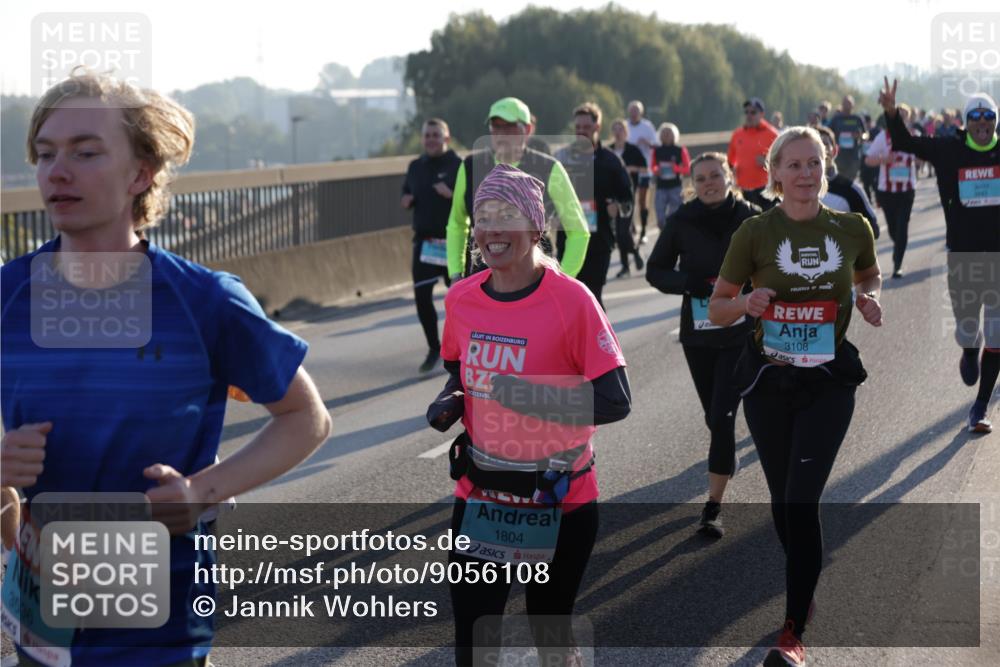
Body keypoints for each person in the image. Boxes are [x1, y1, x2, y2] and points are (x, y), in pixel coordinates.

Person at [0, 72, 332, 666]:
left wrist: (200, 493)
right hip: (40, 621)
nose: (58, 171)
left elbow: (307, 418)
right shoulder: (8, 294)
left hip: (158, 629)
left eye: (85, 152)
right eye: (46, 154)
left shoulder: (205, 301)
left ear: (141, 173)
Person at [427, 163, 631, 667]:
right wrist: (453, 398)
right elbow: (459, 369)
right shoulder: (462, 298)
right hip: (482, 495)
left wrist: (530, 397)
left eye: (507, 216)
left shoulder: (572, 300)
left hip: (557, 498)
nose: (492, 230)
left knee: (549, 633)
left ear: (536, 228)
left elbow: (615, 400)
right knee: (474, 642)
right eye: (483, 218)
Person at [709, 126, 883, 667]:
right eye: (795, 165)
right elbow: (717, 307)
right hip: (769, 381)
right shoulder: (755, 232)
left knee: (802, 499)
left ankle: (792, 632)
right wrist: (746, 305)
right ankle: (804, 580)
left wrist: (869, 298)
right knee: (784, 504)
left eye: (814, 163)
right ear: (775, 173)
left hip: (828, 382)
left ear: (826, 168)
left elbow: (870, 276)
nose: (806, 173)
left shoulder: (851, 227)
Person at [645, 153, 759, 538]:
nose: (709, 183)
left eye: (715, 175)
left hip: (740, 331)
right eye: (701, 178)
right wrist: (688, 283)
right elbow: (656, 270)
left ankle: (713, 508)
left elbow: (771, 263)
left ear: (729, 177)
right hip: (699, 333)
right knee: (713, 416)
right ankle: (724, 454)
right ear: (693, 184)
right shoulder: (681, 220)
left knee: (723, 416)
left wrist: (750, 289)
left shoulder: (750, 217)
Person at [879, 79, 1000, 433]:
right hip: (963, 257)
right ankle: (968, 349)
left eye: (989, 117)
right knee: (968, 328)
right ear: (966, 122)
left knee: (997, 334)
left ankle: (979, 407)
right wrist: (891, 113)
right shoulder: (950, 149)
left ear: (995, 121)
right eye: (975, 118)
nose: (982, 123)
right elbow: (905, 143)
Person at [446, 97, 589, 281]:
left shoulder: (550, 168)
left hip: (534, 278)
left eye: (509, 127)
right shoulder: (469, 167)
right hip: (483, 278)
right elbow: (457, 224)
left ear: (527, 129)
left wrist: (561, 280)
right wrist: (455, 273)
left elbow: (578, 231)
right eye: (495, 127)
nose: (501, 133)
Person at [554, 103, 634, 308]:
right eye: (577, 127)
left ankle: (599, 330)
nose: (581, 131)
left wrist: (617, 207)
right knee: (568, 297)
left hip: (600, 240)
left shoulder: (611, 161)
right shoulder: (561, 158)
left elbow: (627, 199)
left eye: (586, 127)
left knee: (592, 297)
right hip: (568, 239)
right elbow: (546, 194)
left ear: (597, 127)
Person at [402, 118, 463, 372]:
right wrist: (406, 199)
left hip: (453, 243)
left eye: (436, 135)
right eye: (427, 135)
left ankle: (460, 349)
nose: (431, 140)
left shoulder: (458, 165)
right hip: (425, 243)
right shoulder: (415, 166)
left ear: (446, 138)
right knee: (422, 297)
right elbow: (406, 191)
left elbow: (472, 200)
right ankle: (433, 348)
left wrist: (452, 195)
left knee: (459, 300)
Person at [865, 103, 918, 278]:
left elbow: (922, 157)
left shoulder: (914, 136)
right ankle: (898, 246)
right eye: (897, 116)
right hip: (886, 191)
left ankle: (897, 264)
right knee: (893, 229)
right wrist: (884, 159)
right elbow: (868, 160)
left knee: (902, 227)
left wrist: (920, 158)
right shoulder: (882, 137)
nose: (900, 120)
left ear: (908, 119)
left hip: (907, 190)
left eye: (903, 117)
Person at [816, 125, 880, 239]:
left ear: (835, 150)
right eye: (815, 145)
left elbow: (873, 231)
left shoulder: (851, 190)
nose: (821, 150)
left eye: (825, 144)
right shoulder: (792, 191)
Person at [609, 118, 647, 277]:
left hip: (627, 196)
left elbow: (645, 169)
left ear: (626, 132)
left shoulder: (633, 150)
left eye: (621, 129)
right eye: (615, 129)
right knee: (618, 233)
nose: (618, 133)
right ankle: (627, 264)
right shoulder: (608, 151)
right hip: (611, 197)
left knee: (623, 231)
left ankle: (633, 254)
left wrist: (631, 168)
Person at [728, 97, 780, 211]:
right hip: (744, 190)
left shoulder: (773, 134)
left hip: (766, 190)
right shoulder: (737, 134)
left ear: (761, 114)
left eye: (753, 112)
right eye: (746, 112)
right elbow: (730, 162)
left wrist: (767, 162)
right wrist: (732, 171)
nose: (749, 115)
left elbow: (784, 161)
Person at [626, 100, 658, 244]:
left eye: (636, 111)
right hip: (629, 169)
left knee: (642, 200)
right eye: (632, 111)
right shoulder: (625, 125)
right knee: (629, 200)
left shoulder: (647, 126)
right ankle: (631, 228)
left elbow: (656, 144)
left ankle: (643, 231)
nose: (634, 114)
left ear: (641, 112)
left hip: (644, 169)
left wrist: (646, 142)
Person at [651, 122, 691, 230]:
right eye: (664, 133)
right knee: (660, 218)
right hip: (661, 187)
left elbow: (688, 169)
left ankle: (672, 233)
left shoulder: (680, 150)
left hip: (676, 187)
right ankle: (664, 233)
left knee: (674, 216)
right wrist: (657, 170)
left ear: (674, 135)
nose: (666, 135)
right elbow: (652, 166)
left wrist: (676, 169)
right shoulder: (656, 150)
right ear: (660, 135)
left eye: (669, 133)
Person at [827, 95, 866, 182]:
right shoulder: (836, 119)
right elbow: (828, 133)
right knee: (839, 180)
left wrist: (860, 136)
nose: (847, 105)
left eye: (849, 103)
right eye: (845, 103)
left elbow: (866, 135)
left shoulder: (857, 118)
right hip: (839, 156)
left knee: (850, 181)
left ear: (853, 105)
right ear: (842, 104)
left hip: (853, 156)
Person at [859, 113, 881, 203]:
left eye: (866, 122)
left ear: (869, 122)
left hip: (875, 161)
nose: (865, 125)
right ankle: (868, 200)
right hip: (864, 161)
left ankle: (878, 200)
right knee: (865, 183)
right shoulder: (860, 132)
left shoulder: (876, 131)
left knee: (875, 183)